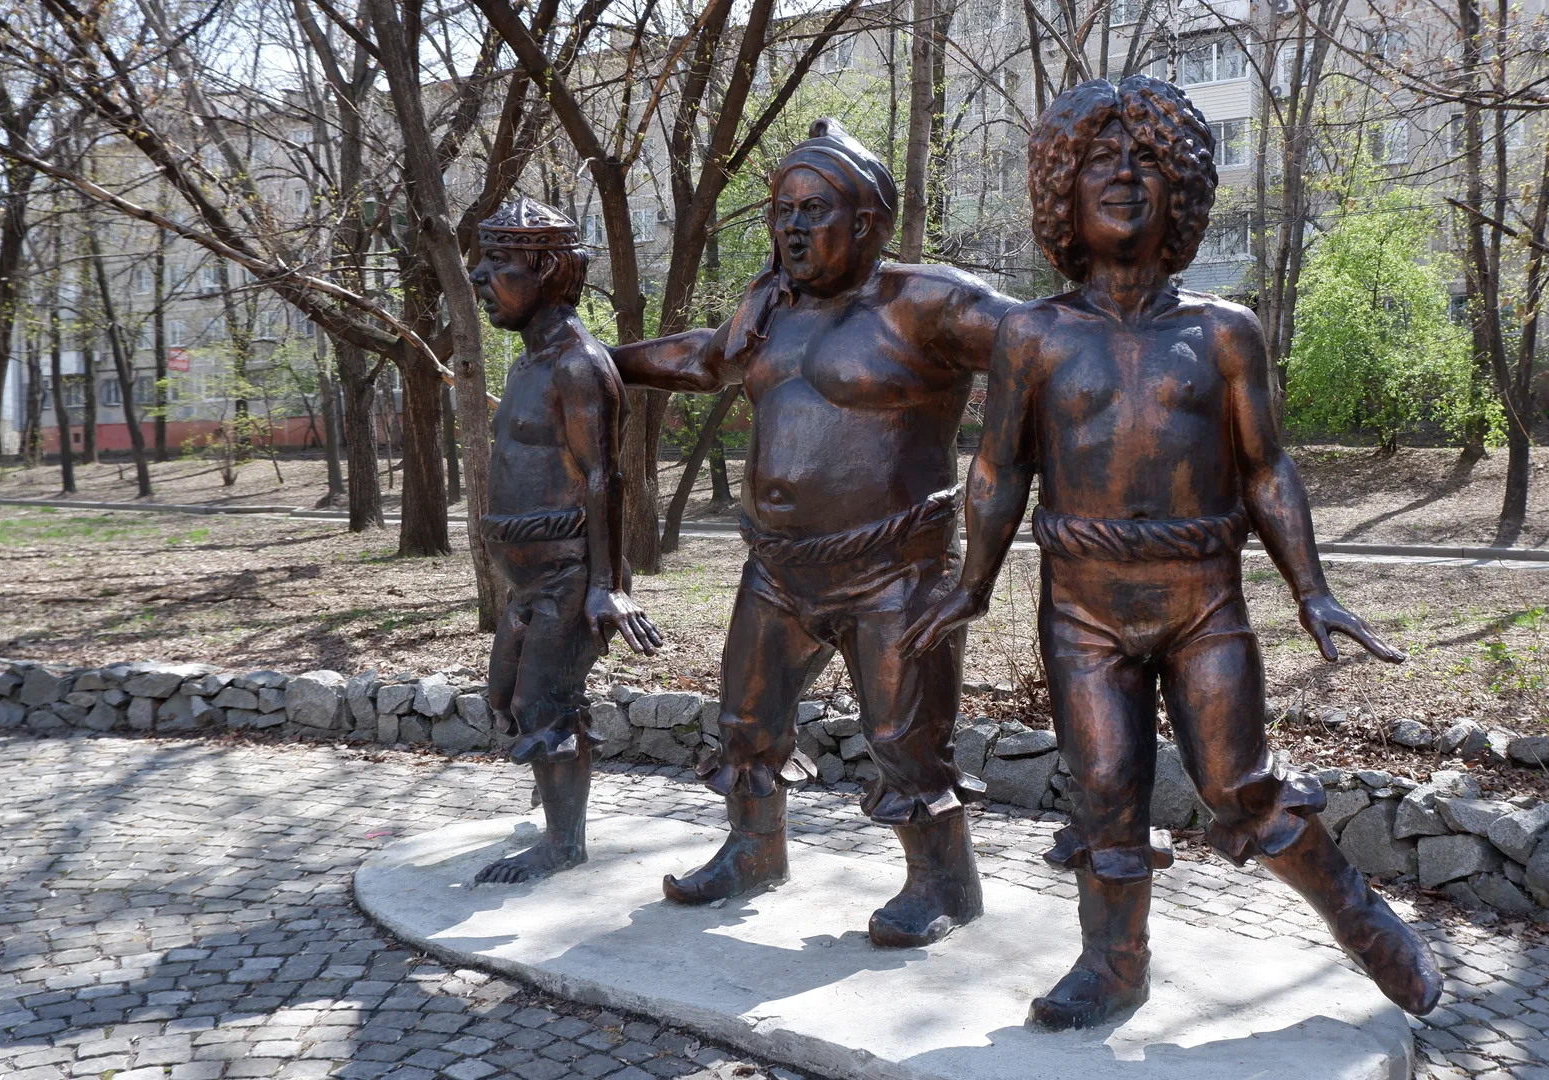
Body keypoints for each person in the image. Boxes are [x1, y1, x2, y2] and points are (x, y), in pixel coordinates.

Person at [901, 76, 1442, 1028]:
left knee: (1239, 783)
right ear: (1061, 192)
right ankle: (1114, 965)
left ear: (1182, 189)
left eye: (1147, 159)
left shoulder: (1223, 332)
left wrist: (1311, 589)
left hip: (1202, 601)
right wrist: (971, 583)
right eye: (1098, 161)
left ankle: (1364, 922)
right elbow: (998, 468)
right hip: (1083, 607)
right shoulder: (1032, 335)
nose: (1123, 175)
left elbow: (1266, 467)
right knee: (1105, 791)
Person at [609, 119, 1020, 947]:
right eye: (781, 211)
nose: (791, 227)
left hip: (896, 570)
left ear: (866, 221)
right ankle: (753, 850)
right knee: (745, 720)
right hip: (777, 567)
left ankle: (943, 884)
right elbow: (701, 360)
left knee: (904, 737)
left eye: (813, 210)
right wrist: (604, 361)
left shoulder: (926, 301)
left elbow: (1044, 343)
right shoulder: (771, 307)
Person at [468, 196, 662, 884]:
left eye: (499, 261)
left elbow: (605, 476)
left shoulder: (578, 364)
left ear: (548, 270)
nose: (479, 275)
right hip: (527, 580)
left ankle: (563, 843)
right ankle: (555, 791)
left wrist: (606, 586)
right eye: (482, 259)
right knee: (503, 699)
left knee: (542, 705)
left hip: (570, 575)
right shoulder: (527, 364)